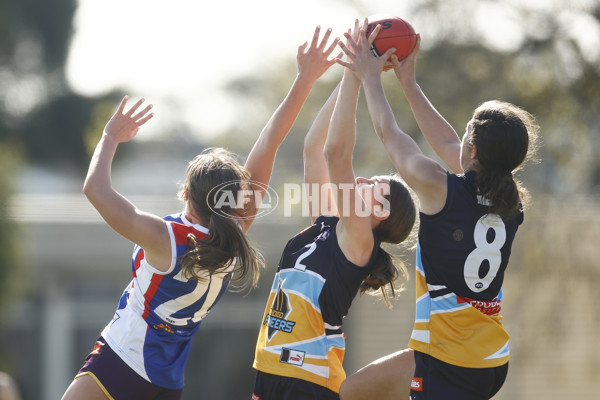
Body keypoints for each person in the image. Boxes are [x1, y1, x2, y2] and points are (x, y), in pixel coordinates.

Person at [61, 25, 341, 400]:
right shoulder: (236, 229)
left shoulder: (167, 238)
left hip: (121, 361)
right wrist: (304, 80)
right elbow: (270, 140)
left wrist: (109, 137)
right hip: (166, 383)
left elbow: (95, 190)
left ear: (187, 192)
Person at [336, 20, 539, 400]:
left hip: (449, 363)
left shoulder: (440, 187)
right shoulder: (511, 202)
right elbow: (448, 142)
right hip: (487, 357)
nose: (457, 141)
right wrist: (408, 83)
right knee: (351, 392)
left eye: (466, 137)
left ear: (474, 151)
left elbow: (389, 135)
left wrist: (370, 77)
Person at [251, 21, 417, 400]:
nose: (364, 182)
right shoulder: (328, 227)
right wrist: (349, 71)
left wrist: (360, 76)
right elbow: (314, 146)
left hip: (309, 380)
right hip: (269, 370)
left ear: (381, 217)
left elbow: (336, 154)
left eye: (376, 187)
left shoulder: (358, 240)